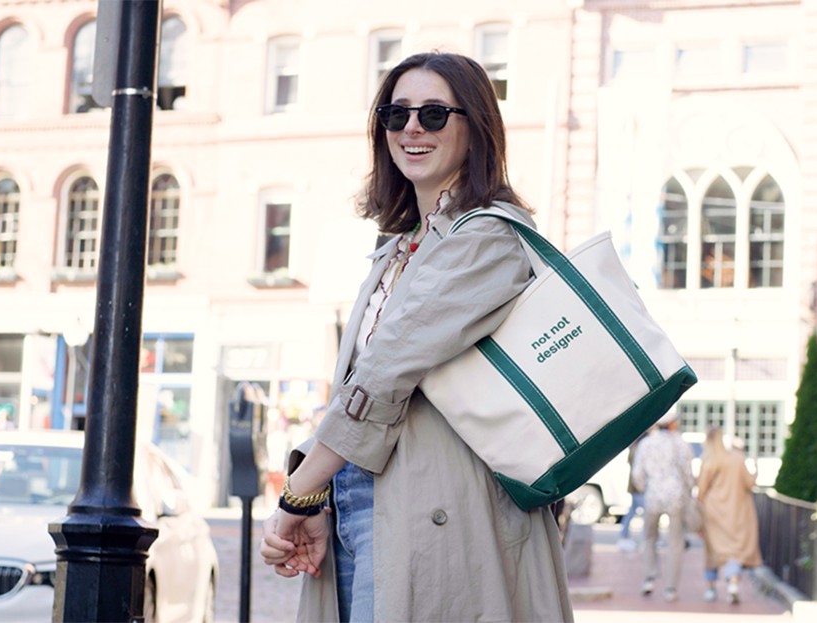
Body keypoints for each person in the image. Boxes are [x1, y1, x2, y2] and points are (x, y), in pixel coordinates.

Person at [256, 52, 572, 623]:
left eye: (432, 114)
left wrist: (299, 492)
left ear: (474, 127)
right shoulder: (397, 249)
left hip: (440, 510)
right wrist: (326, 499)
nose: (411, 129)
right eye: (395, 114)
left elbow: (383, 376)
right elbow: (358, 384)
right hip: (361, 498)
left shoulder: (489, 239)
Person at [631, 412, 695, 602]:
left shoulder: (646, 444)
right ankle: (670, 588)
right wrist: (689, 491)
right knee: (675, 542)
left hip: (652, 496)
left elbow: (637, 474)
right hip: (675, 497)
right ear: (673, 424)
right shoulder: (681, 444)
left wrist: (646, 489)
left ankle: (650, 577)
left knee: (649, 537)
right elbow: (688, 474)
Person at [696, 427, 762, 604]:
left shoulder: (708, 461)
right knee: (735, 549)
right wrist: (755, 469)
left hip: (713, 513)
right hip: (737, 511)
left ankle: (710, 588)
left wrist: (699, 512)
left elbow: (701, 491)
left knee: (713, 551)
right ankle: (733, 583)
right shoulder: (736, 459)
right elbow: (749, 483)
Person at [616, 431, 649, 552]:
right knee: (645, 514)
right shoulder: (638, 448)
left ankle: (623, 536)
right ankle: (645, 539)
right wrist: (642, 487)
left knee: (631, 513)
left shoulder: (635, 447)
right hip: (638, 487)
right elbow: (638, 471)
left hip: (635, 486)